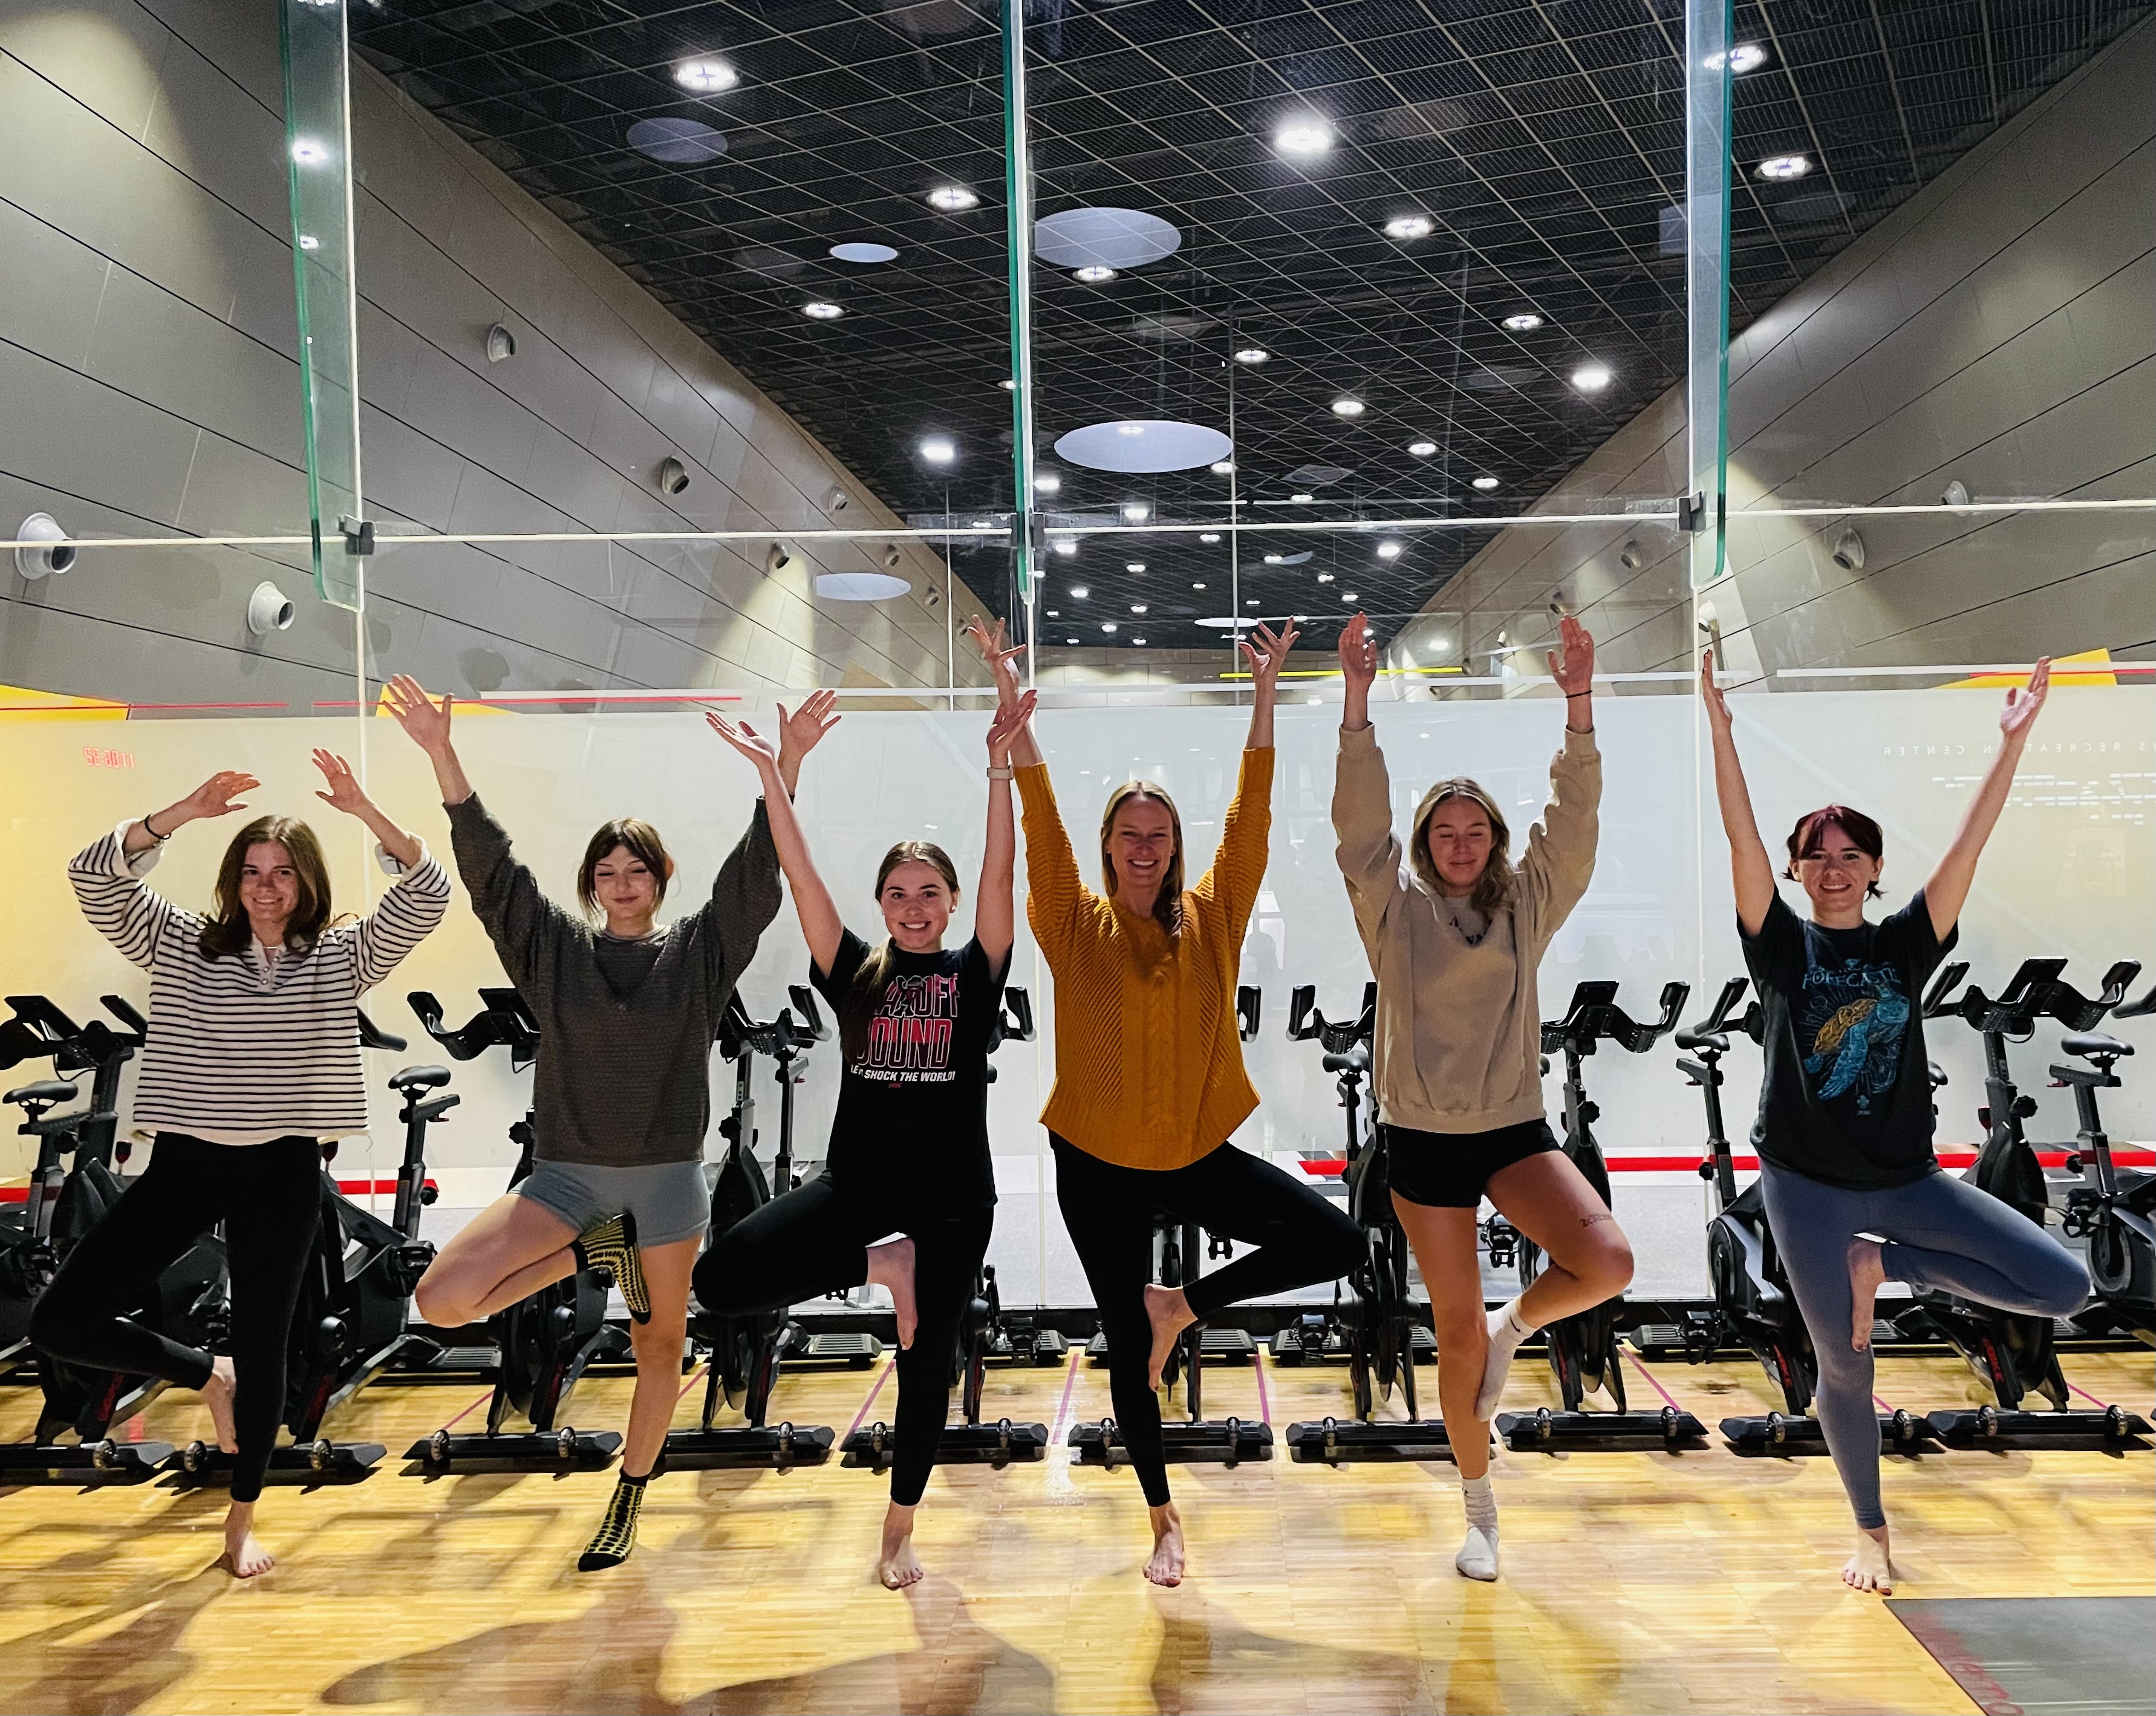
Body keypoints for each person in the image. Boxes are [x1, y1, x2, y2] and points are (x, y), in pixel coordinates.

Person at [382, 674, 833, 1572]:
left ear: (660, 880)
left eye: (637, 870)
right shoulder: (552, 950)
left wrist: (784, 765)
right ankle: (599, 1252)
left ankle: (628, 1495)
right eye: (606, 871)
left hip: (666, 1184)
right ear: (591, 884)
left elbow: (755, 878)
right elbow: (491, 876)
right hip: (566, 1180)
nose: (621, 883)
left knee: (658, 1344)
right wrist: (442, 753)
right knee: (441, 1299)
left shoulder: (700, 952)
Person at [989, 615, 1363, 1587]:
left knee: (1336, 1243)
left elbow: (1253, 816)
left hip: (1192, 1149)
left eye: (1158, 834)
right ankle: (1162, 1520)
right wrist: (1012, 721)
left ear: (1173, 843)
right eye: (1128, 834)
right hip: (1096, 1160)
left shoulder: (1215, 914)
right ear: (1110, 843)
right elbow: (1039, 833)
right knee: (1123, 1349)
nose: (1144, 847)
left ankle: (1181, 1303)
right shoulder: (1072, 920)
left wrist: (1267, 694)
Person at [1702, 649, 2086, 1595]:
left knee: (2062, 1283)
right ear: (1796, 872)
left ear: (1873, 869)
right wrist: (1718, 723)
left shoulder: (1905, 943)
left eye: (1850, 855)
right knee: (1845, 1362)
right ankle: (1869, 1531)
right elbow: (1739, 836)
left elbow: (1968, 846)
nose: (1832, 869)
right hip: (1805, 1186)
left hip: (1907, 1180)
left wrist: (2011, 743)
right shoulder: (1780, 947)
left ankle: (1891, 1264)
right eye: (1815, 855)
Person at [41, 754, 449, 1577]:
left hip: (282, 1171)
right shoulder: (182, 942)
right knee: (61, 1321)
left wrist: (370, 812)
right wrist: (179, 812)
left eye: (283, 873)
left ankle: (241, 1522)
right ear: (234, 880)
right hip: (188, 1163)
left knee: (270, 1353)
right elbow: (93, 876)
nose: (266, 887)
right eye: (253, 871)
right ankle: (203, 1372)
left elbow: (429, 893)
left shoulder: (340, 959)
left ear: (306, 884)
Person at [694, 651, 1032, 1588]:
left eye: (930, 893)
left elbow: (1007, 871)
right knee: (723, 1279)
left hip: (957, 1200)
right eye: (898, 895)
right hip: (860, 1186)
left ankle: (898, 1528)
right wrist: (773, 773)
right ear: (882, 907)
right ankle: (881, 1264)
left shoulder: (974, 973)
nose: (915, 907)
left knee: (928, 1359)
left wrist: (999, 768)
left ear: (952, 903)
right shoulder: (857, 970)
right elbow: (798, 873)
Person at [1329, 610, 1626, 1583]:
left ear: (1494, 840)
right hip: (1420, 1141)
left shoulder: (1526, 904)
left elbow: (1572, 827)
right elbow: (1356, 829)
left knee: (1605, 1258)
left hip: (1510, 1129)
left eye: (1474, 830)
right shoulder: (1394, 912)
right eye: (1442, 831)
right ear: (1424, 843)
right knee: (1449, 1332)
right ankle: (1478, 1507)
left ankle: (1516, 1328)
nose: (1459, 843)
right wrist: (1357, 706)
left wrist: (1578, 706)